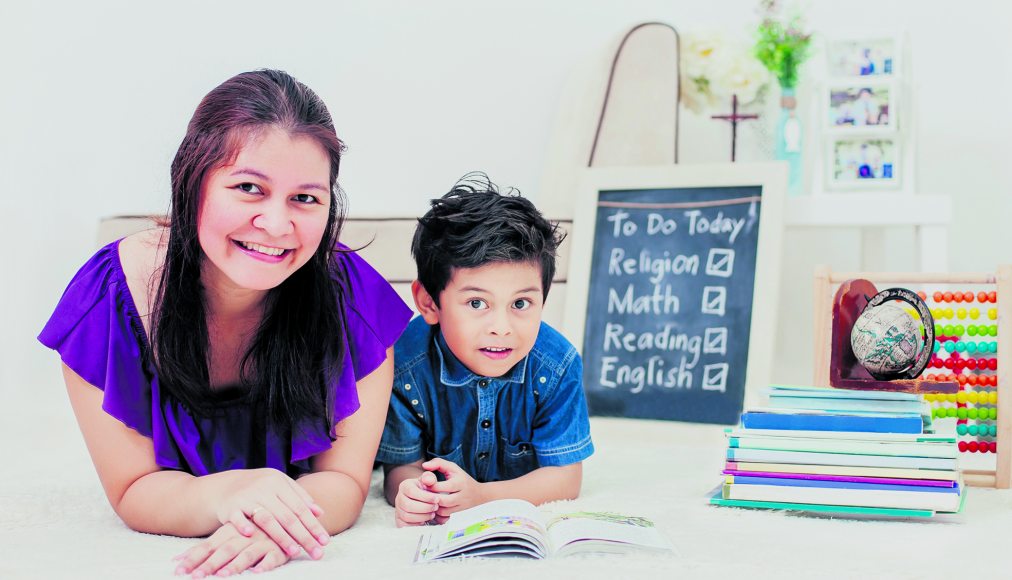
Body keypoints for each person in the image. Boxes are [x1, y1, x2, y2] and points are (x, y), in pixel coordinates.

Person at [38, 69, 412, 576]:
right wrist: (230, 494)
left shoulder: (354, 299)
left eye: (305, 198)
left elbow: (345, 483)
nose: (277, 226)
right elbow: (132, 489)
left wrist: (278, 525)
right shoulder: (110, 297)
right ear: (192, 184)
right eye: (249, 188)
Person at [376, 175, 594, 527]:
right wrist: (416, 492)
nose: (502, 327)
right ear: (429, 303)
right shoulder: (405, 367)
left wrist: (482, 497)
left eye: (521, 303)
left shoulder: (556, 365)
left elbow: (565, 479)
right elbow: (401, 467)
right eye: (477, 302)